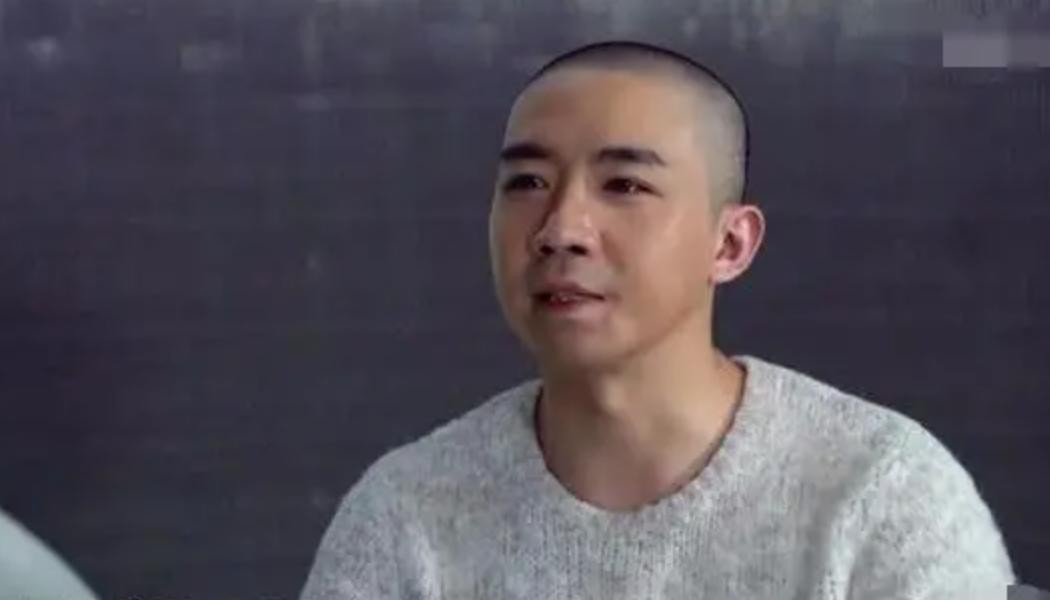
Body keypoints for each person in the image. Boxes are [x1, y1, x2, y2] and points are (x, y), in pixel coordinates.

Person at [300, 40, 1015, 599]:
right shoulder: (407, 514)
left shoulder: (879, 493)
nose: (560, 229)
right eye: (528, 183)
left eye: (625, 185)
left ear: (729, 244)